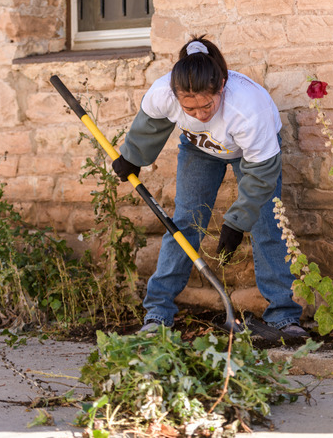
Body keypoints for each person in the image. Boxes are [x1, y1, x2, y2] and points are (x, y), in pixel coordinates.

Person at [112, 35, 307, 337]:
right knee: (185, 222)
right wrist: (132, 157)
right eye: (190, 110)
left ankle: (284, 317)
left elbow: (262, 174)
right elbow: (151, 125)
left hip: (252, 158)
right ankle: (158, 313)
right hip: (199, 150)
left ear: (222, 86)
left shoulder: (249, 110)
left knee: (266, 223)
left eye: (207, 106)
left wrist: (238, 221)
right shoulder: (163, 93)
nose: (200, 115)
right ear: (176, 96)